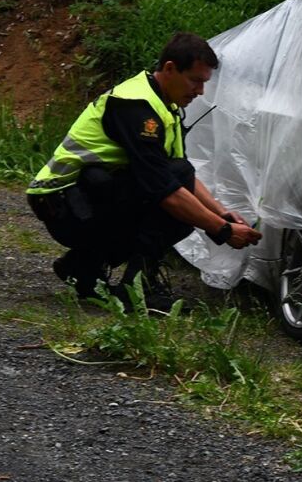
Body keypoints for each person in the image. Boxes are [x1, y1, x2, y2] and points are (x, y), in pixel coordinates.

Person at [26, 32, 261, 309]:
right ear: (170, 69)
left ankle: (83, 268)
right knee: (177, 209)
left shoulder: (163, 105)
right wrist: (220, 229)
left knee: (184, 194)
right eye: (195, 81)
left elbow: (180, 175)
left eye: (204, 83)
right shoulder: (136, 106)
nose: (200, 92)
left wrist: (220, 212)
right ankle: (136, 290)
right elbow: (164, 189)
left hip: (82, 200)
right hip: (63, 205)